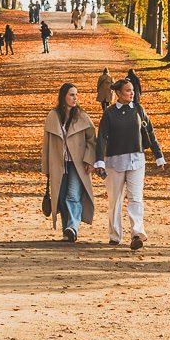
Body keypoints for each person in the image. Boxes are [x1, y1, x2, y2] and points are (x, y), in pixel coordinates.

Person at [94, 76, 164, 250]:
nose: (132, 93)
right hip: (114, 161)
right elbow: (101, 137)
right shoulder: (109, 113)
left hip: (137, 160)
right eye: (128, 90)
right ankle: (115, 235)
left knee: (136, 198)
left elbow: (150, 133)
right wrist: (99, 162)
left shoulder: (139, 110)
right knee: (115, 200)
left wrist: (158, 156)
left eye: (133, 90)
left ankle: (137, 234)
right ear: (118, 93)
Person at [42, 83, 97, 242]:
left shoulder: (82, 116)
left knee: (72, 195)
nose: (75, 98)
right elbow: (47, 144)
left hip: (77, 164)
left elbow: (91, 140)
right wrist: (46, 167)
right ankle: (67, 231)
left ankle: (72, 227)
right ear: (63, 96)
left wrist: (89, 160)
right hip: (58, 163)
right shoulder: (53, 116)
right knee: (61, 197)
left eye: (76, 95)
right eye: (71, 95)